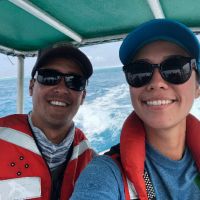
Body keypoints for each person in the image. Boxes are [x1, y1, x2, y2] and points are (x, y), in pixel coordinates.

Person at [70, 19, 200, 200]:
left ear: (197, 87)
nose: (156, 83)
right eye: (140, 71)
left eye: (175, 68)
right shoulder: (106, 174)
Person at [0, 44, 95, 200]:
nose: (62, 88)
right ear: (31, 87)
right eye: (49, 77)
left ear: (83, 96)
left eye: (75, 81)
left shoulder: (89, 157)